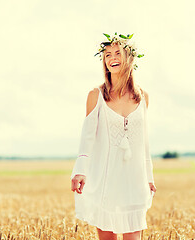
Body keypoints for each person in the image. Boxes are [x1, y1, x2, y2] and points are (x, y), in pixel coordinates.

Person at [70, 32, 156, 240]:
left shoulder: (142, 97)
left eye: (118, 53)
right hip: (105, 179)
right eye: (107, 54)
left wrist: (149, 177)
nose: (112, 58)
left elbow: (143, 142)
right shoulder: (96, 95)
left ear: (130, 58)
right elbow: (87, 137)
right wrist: (80, 171)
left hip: (134, 180)